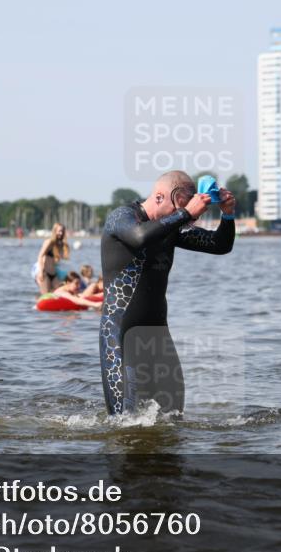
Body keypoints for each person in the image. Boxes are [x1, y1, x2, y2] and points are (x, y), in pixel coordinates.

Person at [99, 170, 235, 415]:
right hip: (121, 336)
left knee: (173, 418)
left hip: (158, 335)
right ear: (160, 197)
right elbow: (139, 237)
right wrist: (186, 213)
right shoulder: (122, 218)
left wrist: (227, 214)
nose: (184, 220)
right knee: (123, 425)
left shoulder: (170, 229)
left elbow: (220, 245)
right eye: (179, 210)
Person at [35, 223, 69, 293]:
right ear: (55, 231)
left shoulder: (60, 244)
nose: (61, 233)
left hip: (54, 274)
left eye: (62, 231)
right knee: (45, 295)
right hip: (45, 273)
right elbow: (40, 256)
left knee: (60, 292)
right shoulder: (49, 242)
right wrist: (41, 272)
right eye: (59, 231)